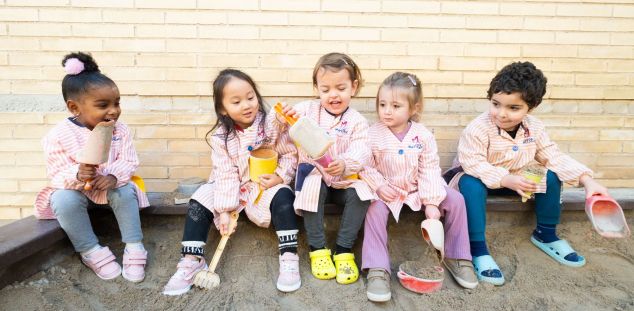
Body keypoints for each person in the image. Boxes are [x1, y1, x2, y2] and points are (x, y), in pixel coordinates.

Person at [445, 61, 609, 285]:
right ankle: (478, 249)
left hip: (519, 181)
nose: (501, 114)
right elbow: (473, 163)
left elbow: (553, 156)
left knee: (550, 176)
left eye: (513, 108)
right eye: (496, 104)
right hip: (481, 180)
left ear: (530, 107)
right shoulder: (478, 128)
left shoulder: (535, 128)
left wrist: (587, 180)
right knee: (471, 183)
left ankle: (546, 234)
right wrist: (505, 179)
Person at [163, 69, 300, 295]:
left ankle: (289, 255)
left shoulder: (271, 125)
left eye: (250, 97)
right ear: (223, 109)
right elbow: (225, 173)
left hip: (262, 185)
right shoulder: (219, 137)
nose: (246, 105)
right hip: (228, 186)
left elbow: (289, 154)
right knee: (199, 199)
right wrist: (225, 210)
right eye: (236, 101)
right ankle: (192, 259)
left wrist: (280, 176)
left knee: (284, 195)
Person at [361, 72, 477, 302]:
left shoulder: (422, 135)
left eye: (395, 106)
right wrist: (380, 185)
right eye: (382, 104)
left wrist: (431, 202)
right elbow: (364, 165)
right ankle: (377, 268)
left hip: (418, 189)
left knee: (456, 200)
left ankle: (457, 256)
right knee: (373, 208)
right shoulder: (372, 134)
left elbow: (430, 169)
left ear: (413, 108)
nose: (387, 111)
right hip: (386, 191)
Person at [34, 52, 149, 282]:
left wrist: (114, 176)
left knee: (125, 191)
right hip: (78, 191)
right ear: (74, 107)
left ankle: (134, 245)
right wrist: (76, 173)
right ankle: (90, 250)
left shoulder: (119, 129)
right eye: (103, 105)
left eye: (117, 103)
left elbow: (128, 160)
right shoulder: (58, 135)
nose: (114, 110)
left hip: (108, 188)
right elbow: (56, 174)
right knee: (62, 199)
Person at [282, 52, 373, 285]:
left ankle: (343, 249)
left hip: (343, 179)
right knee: (313, 189)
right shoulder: (306, 111)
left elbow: (363, 148)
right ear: (316, 89)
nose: (333, 95)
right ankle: (318, 249)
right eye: (326, 90)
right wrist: (284, 117)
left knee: (362, 193)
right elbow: (282, 131)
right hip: (315, 176)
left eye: (340, 88)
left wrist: (346, 163)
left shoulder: (357, 121)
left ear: (353, 87)